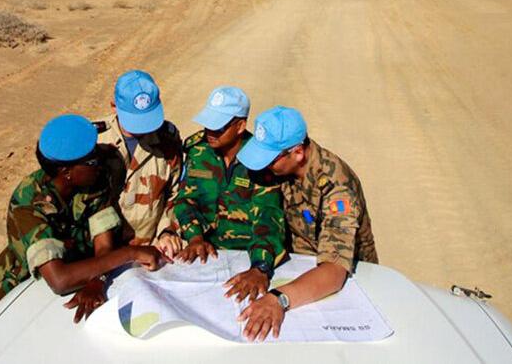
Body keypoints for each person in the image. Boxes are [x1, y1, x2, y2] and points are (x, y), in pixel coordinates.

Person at [0, 114, 164, 321]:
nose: (99, 163)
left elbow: (103, 243)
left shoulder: (94, 177)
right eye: (92, 160)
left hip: (80, 271)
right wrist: (131, 253)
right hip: (20, 289)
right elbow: (60, 279)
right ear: (66, 171)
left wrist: (98, 279)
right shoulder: (28, 204)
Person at [233, 106, 378, 341]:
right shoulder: (283, 168)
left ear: (298, 153)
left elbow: (334, 271)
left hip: (345, 285)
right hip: (299, 269)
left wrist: (278, 299)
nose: (264, 166)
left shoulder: (336, 186)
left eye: (269, 159)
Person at [155, 86, 286, 303]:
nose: (210, 133)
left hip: (245, 260)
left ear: (240, 126)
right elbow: (186, 199)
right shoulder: (197, 150)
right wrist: (194, 236)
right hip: (202, 258)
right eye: (208, 125)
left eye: (218, 127)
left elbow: (269, 216)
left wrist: (260, 267)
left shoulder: (259, 161)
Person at [97, 70, 184, 246]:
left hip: (152, 246)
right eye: (134, 120)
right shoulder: (96, 141)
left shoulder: (167, 139)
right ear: (114, 106)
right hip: (103, 253)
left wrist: (167, 231)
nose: (143, 129)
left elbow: (175, 193)